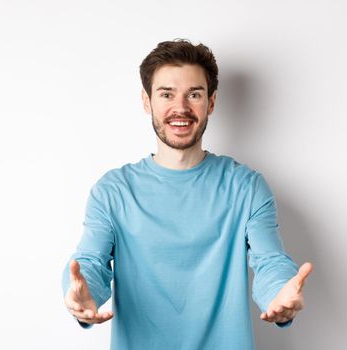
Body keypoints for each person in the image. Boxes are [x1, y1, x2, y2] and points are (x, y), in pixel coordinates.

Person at [62, 39, 313, 349]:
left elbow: (270, 261)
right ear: (146, 101)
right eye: (166, 94)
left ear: (211, 102)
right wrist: (83, 293)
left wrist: (280, 293)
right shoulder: (112, 192)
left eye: (193, 95)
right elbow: (90, 263)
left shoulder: (246, 187)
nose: (180, 108)